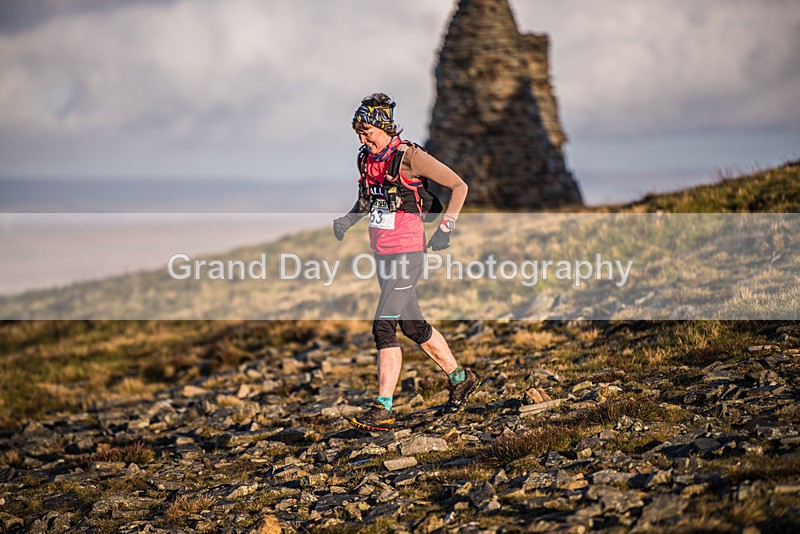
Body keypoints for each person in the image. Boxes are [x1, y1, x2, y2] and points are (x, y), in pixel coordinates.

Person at [332, 92, 480, 431]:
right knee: (412, 326)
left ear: (383, 127)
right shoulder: (365, 158)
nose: (361, 136)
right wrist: (346, 220)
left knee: (383, 325)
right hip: (381, 252)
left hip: (409, 251)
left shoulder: (411, 157)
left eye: (367, 130)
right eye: (358, 131)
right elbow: (368, 199)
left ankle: (383, 407)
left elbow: (459, 186)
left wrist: (446, 228)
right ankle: (460, 378)